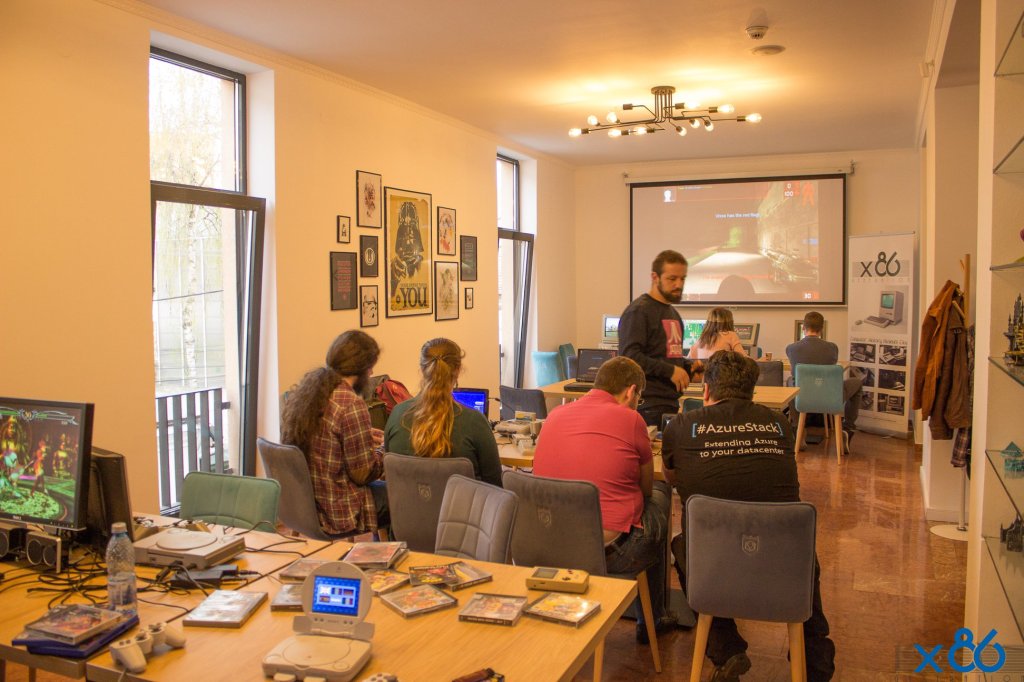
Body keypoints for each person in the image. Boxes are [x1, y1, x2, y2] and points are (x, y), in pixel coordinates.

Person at [662, 351, 835, 682]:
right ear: (752, 391)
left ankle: (726, 649)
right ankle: (815, 661)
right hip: (785, 568)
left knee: (683, 546)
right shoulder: (780, 424)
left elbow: (671, 477)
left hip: (713, 568)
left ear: (706, 390)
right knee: (802, 552)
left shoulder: (682, 426)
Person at [533, 356, 675, 643]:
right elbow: (646, 488)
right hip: (610, 551)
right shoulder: (632, 419)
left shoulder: (555, 415)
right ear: (631, 392)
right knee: (661, 495)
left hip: (550, 543)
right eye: (639, 398)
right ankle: (652, 618)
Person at [281, 330, 388, 536]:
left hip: (307, 503)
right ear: (361, 367)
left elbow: (329, 441)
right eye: (370, 367)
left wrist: (363, 436)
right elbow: (363, 474)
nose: (372, 373)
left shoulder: (309, 393)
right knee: (401, 496)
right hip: (340, 510)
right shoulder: (351, 404)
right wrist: (384, 448)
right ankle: (386, 553)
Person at [384, 338, 502, 487]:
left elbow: (389, 475)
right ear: (458, 370)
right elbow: (495, 485)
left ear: (422, 369)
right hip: (462, 503)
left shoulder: (397, 414)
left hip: (405, 502)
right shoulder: (475, 421)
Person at [618, 249, 696, 427]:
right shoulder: (639, 311)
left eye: (682, 279)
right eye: (672, 278)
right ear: (655, 277)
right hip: (646, 406)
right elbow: (629, 358)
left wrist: (688, 368)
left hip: (668, 403)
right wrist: (671, 371)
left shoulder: (673, 313)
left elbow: (665, 357)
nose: (678, 284)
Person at [786, 311, 864, 450]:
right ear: (821, 329)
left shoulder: (791, 348)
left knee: (790, 381)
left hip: (803, 397)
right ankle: (847, 428)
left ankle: (798, 429)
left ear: (803, 328)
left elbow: (794, 373)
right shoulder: (832, 348)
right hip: (830, 397)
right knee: (857, 383)